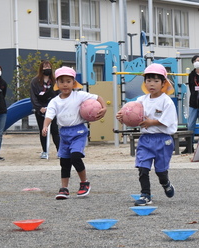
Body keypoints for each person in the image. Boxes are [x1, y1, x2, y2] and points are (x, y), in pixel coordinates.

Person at [117, 63, 177, 206]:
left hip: (163, 140)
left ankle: (166, 183)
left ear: (163, 83)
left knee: (160, 171)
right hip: (145, 140)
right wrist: (122, 115)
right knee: (143, 168)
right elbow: (131, 112)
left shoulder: (166, 101)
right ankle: (145, 195)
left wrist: (152, 122)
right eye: (149, 80)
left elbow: (168, 121)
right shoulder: (141, 100)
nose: (152, 84)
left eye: (156, 81)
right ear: (145, 82)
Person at [42, 67, 106, 200]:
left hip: (79, 131)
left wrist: (104, 107)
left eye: (68, 81)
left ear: (73, 83)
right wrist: (45, 126)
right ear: (57, 84)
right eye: (62, 81)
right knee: (64, 162)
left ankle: (84, 183)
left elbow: (98, 97)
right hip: (64, 133)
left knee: (75, 156)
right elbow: (49, 115)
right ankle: (64, 188)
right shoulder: (55, 101)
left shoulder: (80, 95)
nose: (65, 84)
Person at [31, 60, 60, 159]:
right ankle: (44, 151)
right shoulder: (35, 82)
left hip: (52, 109)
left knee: (55, 130)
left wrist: (53, 107)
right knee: (43, 130)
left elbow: (58, 95)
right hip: (40, 110)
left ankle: (59, 150)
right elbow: (33, 97)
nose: (47, 69)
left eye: (48, 67)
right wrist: (39, 108)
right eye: (45, 67)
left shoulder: (55, 81)